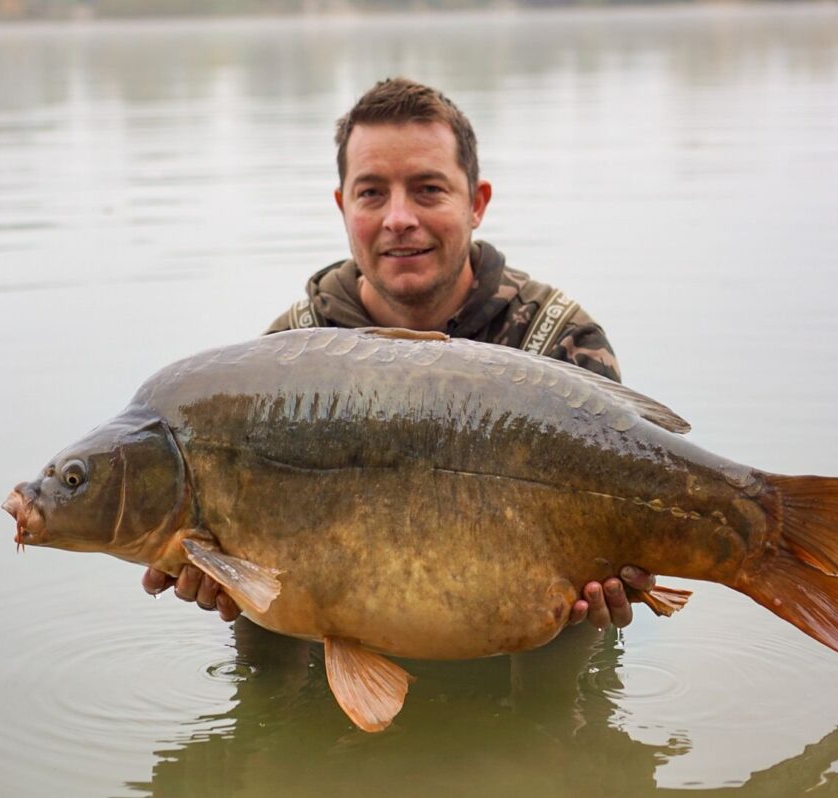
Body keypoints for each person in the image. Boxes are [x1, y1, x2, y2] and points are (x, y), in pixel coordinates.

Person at [142, 77, 657, 633]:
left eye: (428, 189)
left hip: (527, 633)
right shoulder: (286, 356)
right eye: (371, 193)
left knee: (574, 643)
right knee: (262, 634)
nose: (398, 218)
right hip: (332, 625)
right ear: (343, 206)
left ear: (476, 203)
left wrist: (626, 579)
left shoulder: (559, 341)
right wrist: (212, 569)